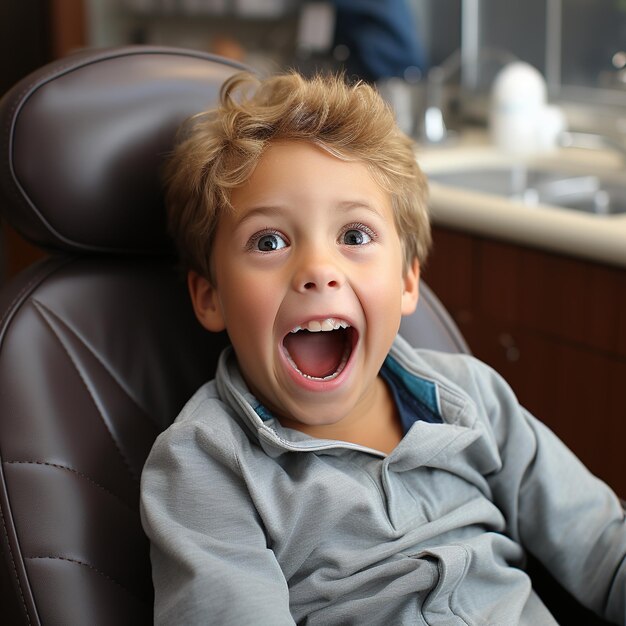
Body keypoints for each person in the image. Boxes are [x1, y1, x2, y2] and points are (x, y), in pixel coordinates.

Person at [139, 70, 626, 625]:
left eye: (354, 236)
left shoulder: (475, 398)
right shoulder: (205, 466)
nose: (319, 270)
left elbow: (606, 550)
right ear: (210, 298)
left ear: (407, 280)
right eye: (269, 241)